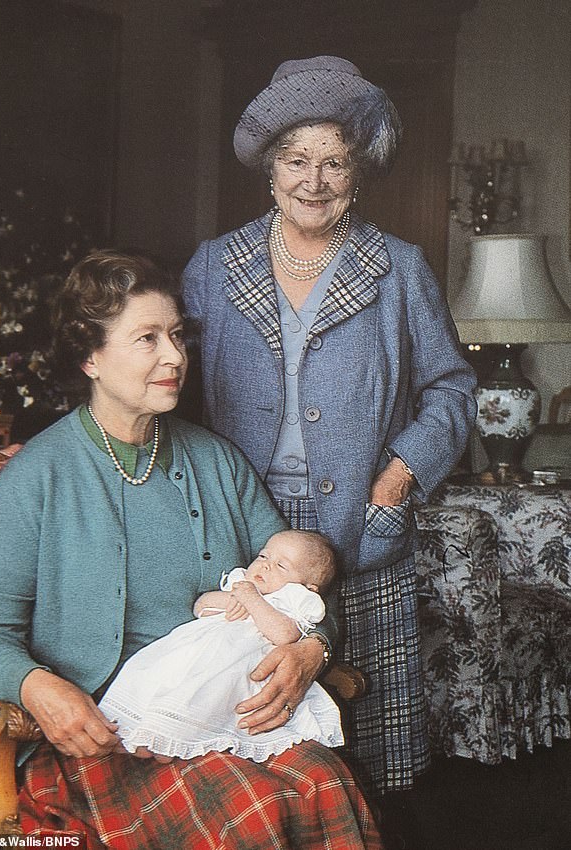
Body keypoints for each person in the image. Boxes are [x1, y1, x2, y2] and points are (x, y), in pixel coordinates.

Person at [0, 249, 383, 850]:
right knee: (250, 809)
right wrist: (37, 686)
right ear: (90, 357)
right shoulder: (37, 477)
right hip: (108, 736)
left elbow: (310, 588)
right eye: (147, 339)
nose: (175, 357)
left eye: (178, 336)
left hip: (227, 723)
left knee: (324, 782)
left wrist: (312, 650)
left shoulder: (217, 462)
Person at [182, 56, 478, 798]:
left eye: (334, 163)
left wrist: (398, 474)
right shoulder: (214, 268)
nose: (313, 182)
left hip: (362, 525)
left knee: (365, 741)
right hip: (240, 525)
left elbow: (451, 386)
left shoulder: (401, 269)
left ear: (359, 172)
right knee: (249, 724)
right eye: (296, 160)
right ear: (269, 169)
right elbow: (169, 392)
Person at [99, 528, 344, 760]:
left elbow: (284, 635)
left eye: (281, 566)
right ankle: (136, 728)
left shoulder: (294, 599)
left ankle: (175, 739)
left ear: (308, 587)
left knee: (205, 692)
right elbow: (201, 606)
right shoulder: (240, 583)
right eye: (263, 556)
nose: (266, 565)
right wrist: (231, 598)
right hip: (194, 651)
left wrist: (251, 599)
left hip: (237, 665)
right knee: (155, 673)